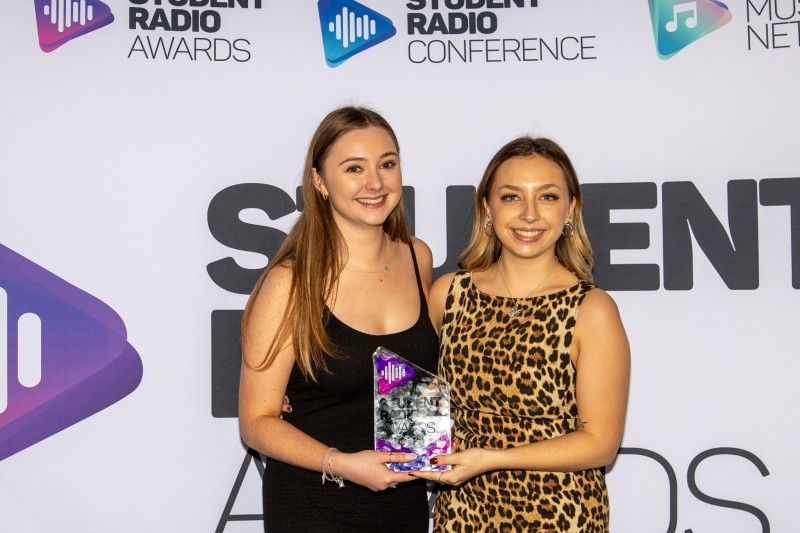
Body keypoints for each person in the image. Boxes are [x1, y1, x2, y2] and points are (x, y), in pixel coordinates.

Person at [413, 136, 630, 532]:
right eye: (512, 197)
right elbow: (410, 393)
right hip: (464, 513)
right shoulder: (449, 294)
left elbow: (600, 442)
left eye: (547, 197)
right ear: (487, 207)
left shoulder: (591, 310)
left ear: (571, 208)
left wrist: (493, 458)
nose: (529, 215)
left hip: (561, 513)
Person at [238, 106, 438, 532]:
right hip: (315, 505)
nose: (375, 183)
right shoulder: (291, 283)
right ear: (319, 181)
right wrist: (343, 464)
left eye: (387, 164)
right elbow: (256, 422)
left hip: (403, 506)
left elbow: (410, 383)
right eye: (354, 168)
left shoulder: (418, 258)